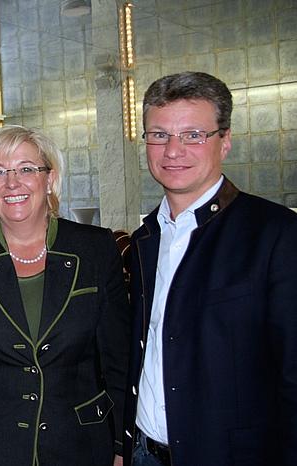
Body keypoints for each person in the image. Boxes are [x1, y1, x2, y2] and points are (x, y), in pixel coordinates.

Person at [0, 125, 129, 466]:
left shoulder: (95, 249)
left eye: (26, 169)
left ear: (49, 179)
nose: (12, 182)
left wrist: (122, 448)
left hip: (82, 446)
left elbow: (119, 362)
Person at [122, 71, 297, 466]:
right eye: (159, 135)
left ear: (226, 141)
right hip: (144, 453)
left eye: (193, 135)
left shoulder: (276, 235)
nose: (173, 151)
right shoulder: (144, 239)